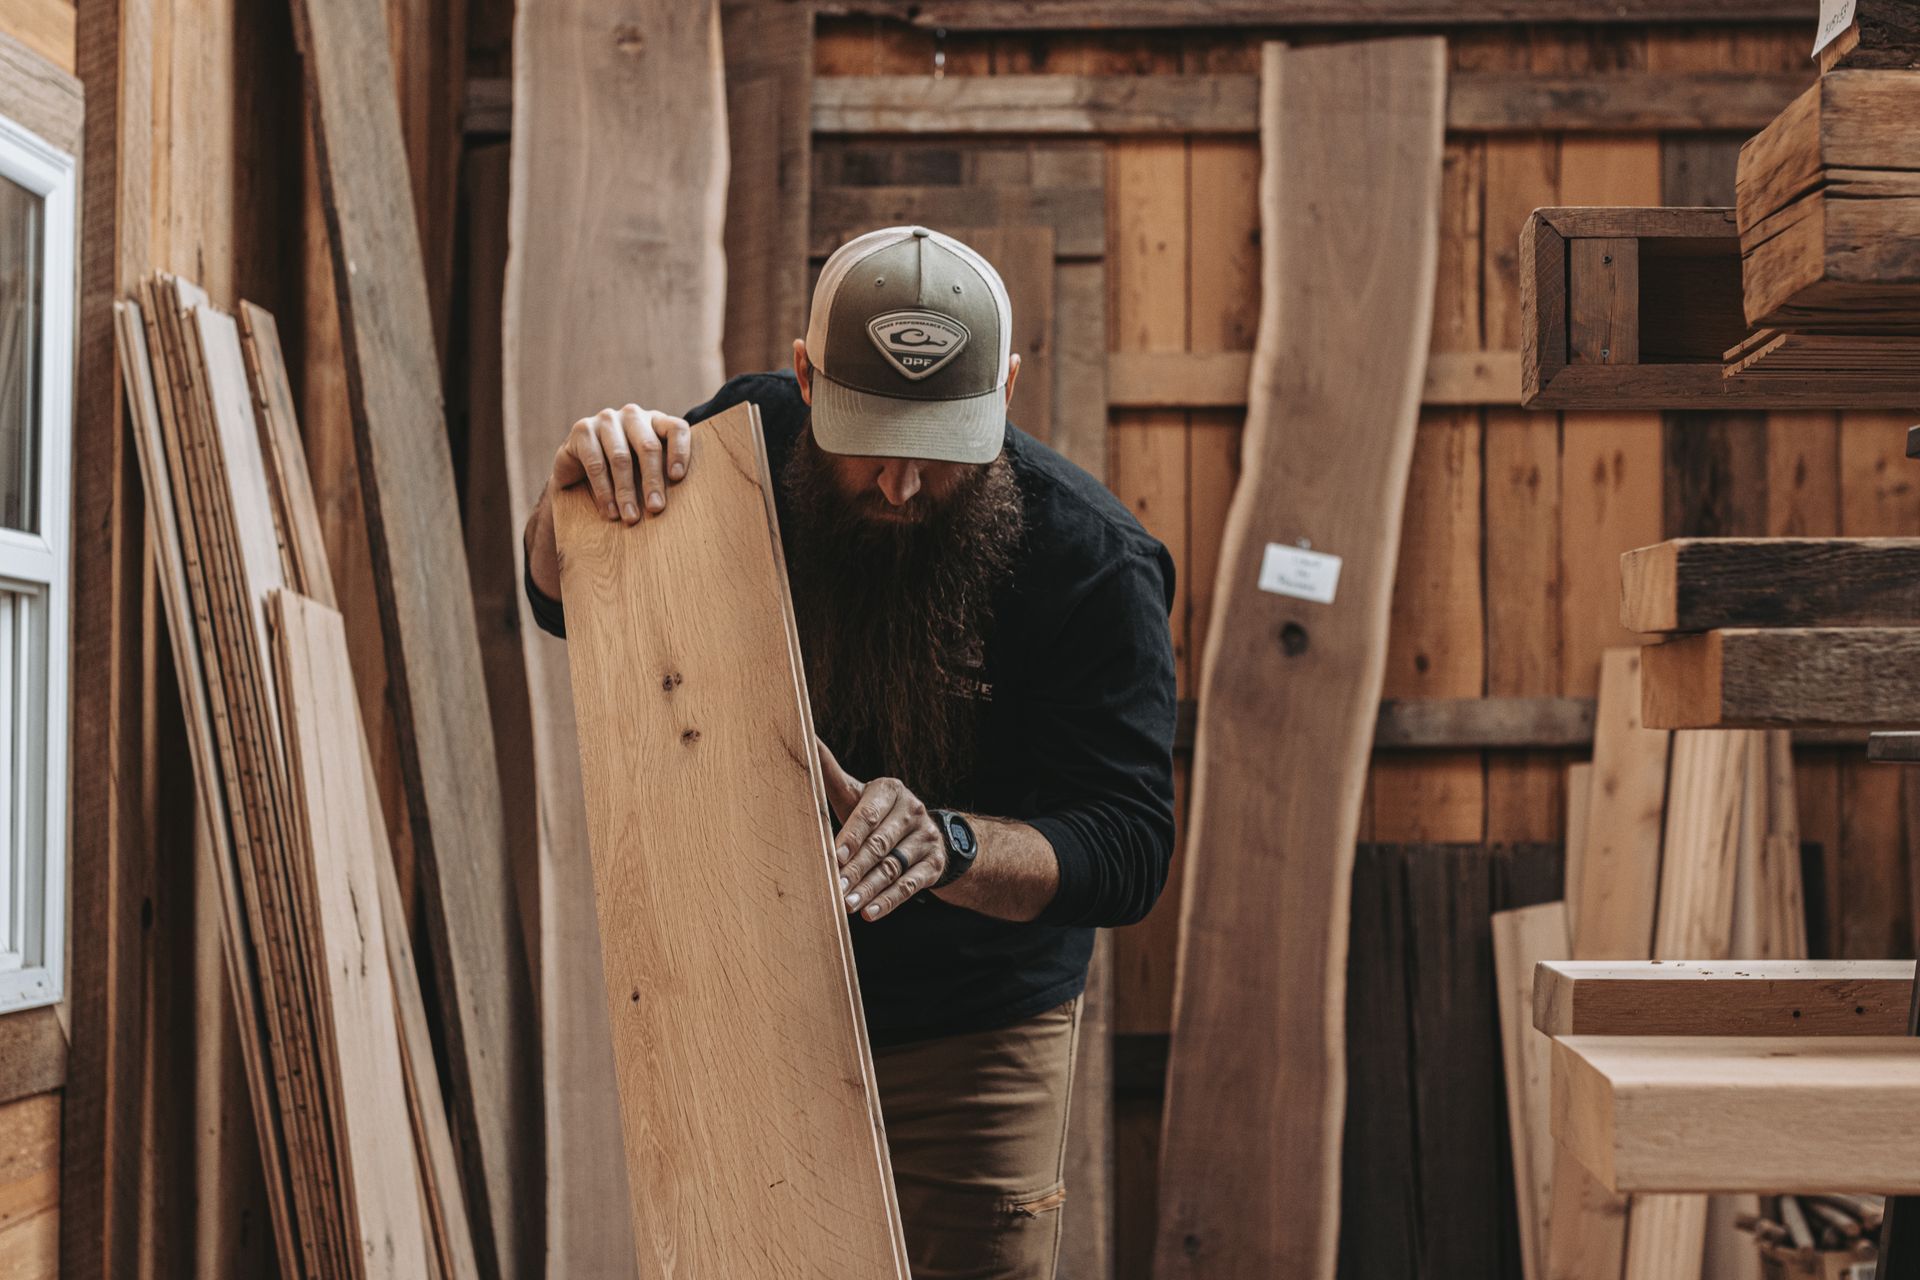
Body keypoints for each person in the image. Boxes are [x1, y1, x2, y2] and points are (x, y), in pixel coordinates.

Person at [522, 225, 1176, 1280]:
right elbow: (565, 603)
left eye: (942, 447)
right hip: (744, 993)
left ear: (1006, 388)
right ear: (803, 374)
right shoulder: (745, 446)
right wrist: (568, 497)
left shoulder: (1094, 563)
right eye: (869, 439)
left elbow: (1130, 847)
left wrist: (950, 844)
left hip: (977, 1031)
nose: (903, 483)